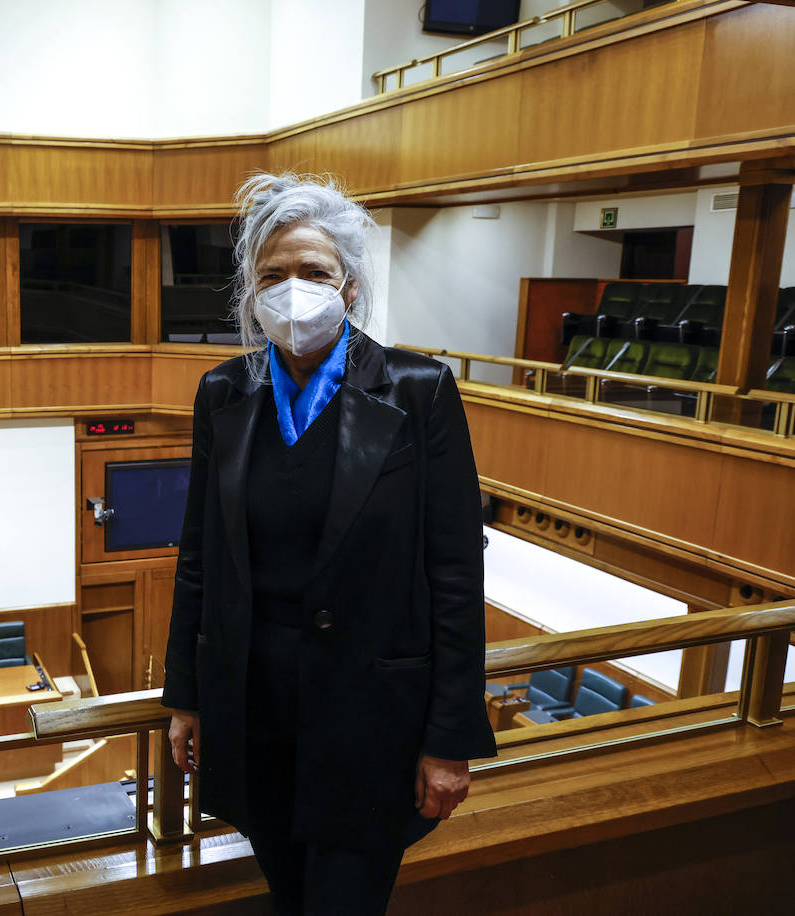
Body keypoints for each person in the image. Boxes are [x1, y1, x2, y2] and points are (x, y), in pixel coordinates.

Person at [161, 172, 498, 915]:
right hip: (255, 711)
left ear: (348, 287)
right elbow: (198, 558)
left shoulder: (419, 391)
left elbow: (453, 571)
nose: (293, 289)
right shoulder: (224, 394)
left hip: (374, 718)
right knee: (287, 897)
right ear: (249, 290)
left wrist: (450, 738)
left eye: (314, 272)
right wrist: (186, 697)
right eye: (272, 274)